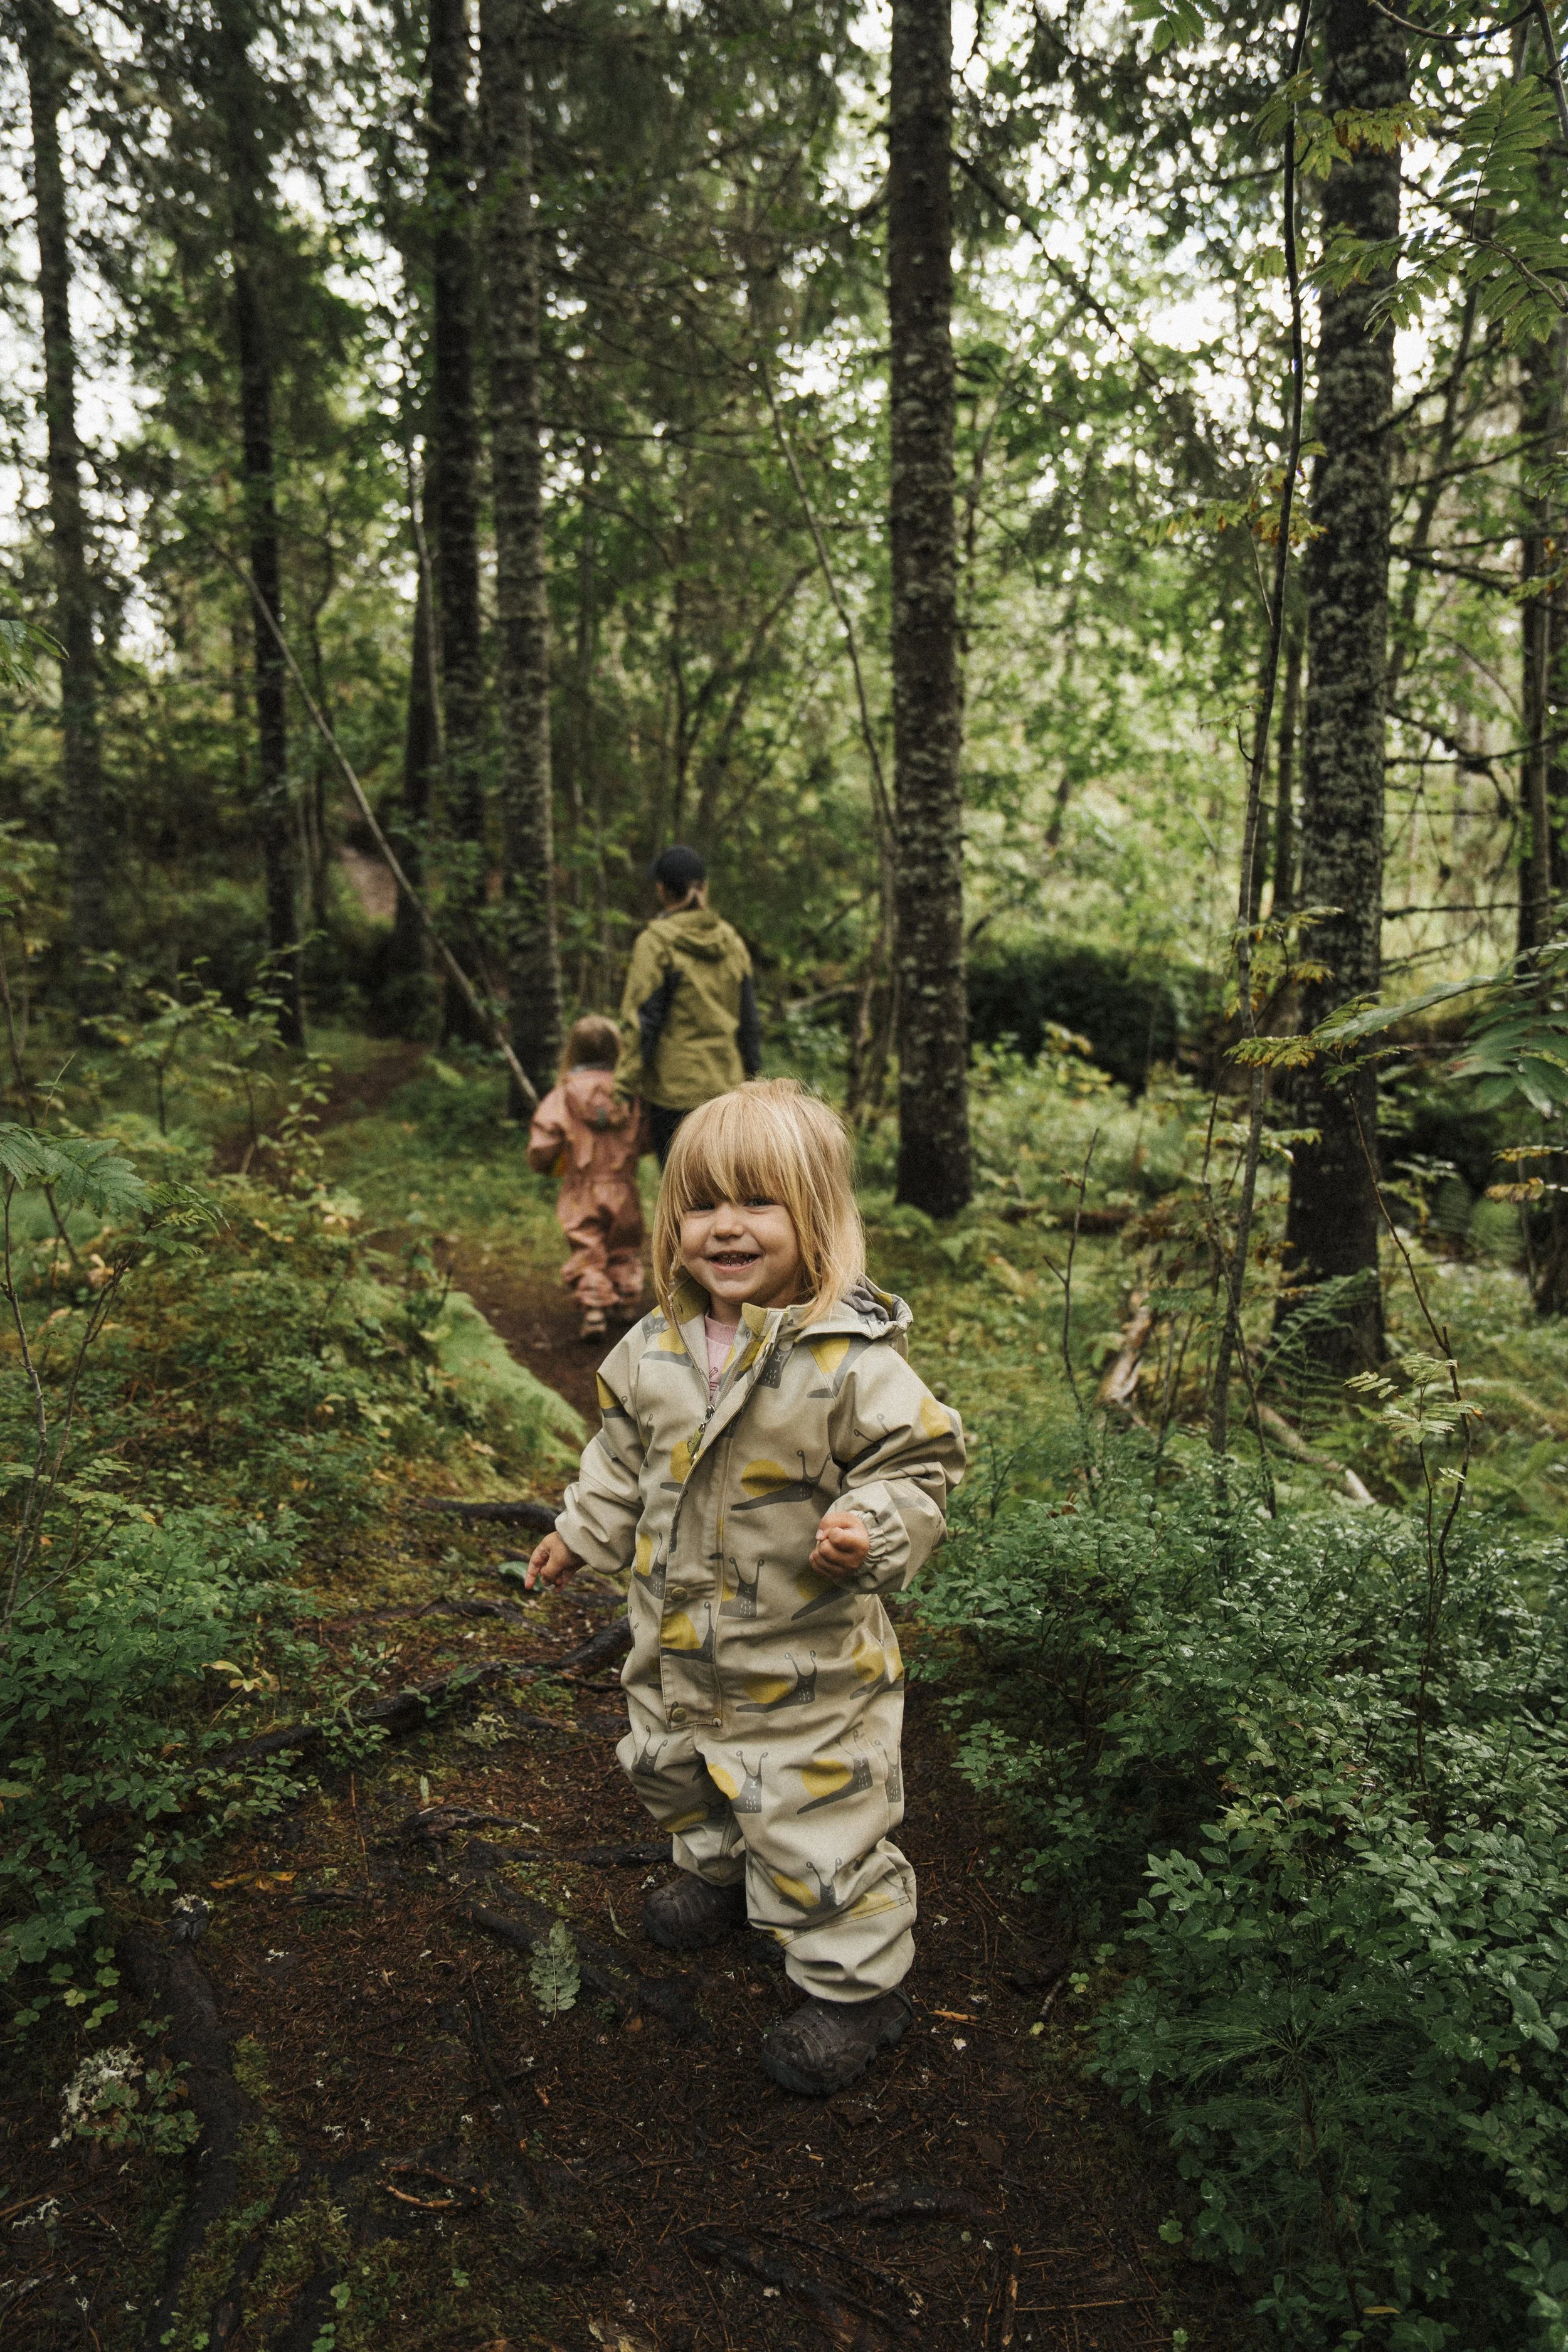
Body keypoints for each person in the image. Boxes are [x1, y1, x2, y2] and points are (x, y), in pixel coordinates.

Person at [525, 1079, 965, 2095]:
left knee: (820, 1826)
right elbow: (619, 1459)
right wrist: (579, 1533)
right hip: (679, 1641)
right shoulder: (655, 1352)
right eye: (701, 1204)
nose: (724, 1227)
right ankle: (718, 1868)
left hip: (803, 1665)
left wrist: (876, 1521)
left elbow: (921, 1462)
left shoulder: (849, 1363)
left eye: (756, 1203)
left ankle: (859, 1990)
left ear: (814, 1220)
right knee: (675, 1764)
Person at [614, 844, 762, 1165]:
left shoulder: (655, 943)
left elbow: (642, 1022)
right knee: (726, 1192)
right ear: (704, 887)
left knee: (682, 1196)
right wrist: (755, 1082)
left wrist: (624, 1089)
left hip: (674, 1095)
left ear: (661, 890)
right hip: (727, 1089)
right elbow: (749, 1022)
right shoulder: (731, 941)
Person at [526, 1014, 647, 1341]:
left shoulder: (564, 1095)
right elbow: (646, 1135)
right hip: (623, 1185)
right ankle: (625, 1300)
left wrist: (548, 1162)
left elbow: (544, 1142)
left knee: (588, 1249)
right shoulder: (629, 1094)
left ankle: (595, 1311)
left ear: (573, 1051)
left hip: (582, 1186)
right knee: (622, 1246)